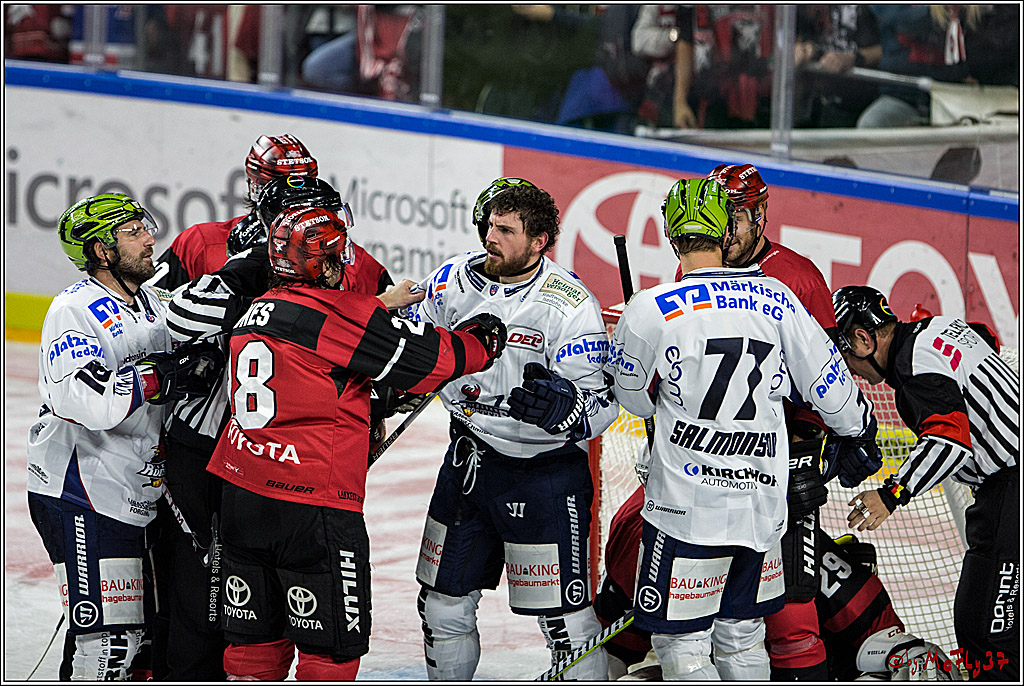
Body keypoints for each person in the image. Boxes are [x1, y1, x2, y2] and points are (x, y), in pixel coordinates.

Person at [202, 204, 503, 680]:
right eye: (338, 255)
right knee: (331, 652)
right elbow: (430, 361)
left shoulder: (253, 311)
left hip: (240, 495)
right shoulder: (336, 315)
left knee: (253, 644)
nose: (345, 264)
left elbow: (314, 368)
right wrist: (481, 340)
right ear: (321, 262)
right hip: (311, 506)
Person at [606, 178, 878, 680]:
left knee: (683, 648)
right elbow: (833, 390)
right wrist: (858, 429)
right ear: (723, 230)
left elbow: (631, 398)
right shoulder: (778, 298)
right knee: (744, 639)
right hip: (760, 508)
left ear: (671, 235)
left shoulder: (650, 306)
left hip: (684, 509)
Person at [153, 170, 398, 680]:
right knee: (202, 590)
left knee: (263, 594)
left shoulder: (349, 259)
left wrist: (371, 405)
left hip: (268, 457)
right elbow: (174, 317)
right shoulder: (246, 254)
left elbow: (378, 341)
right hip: (211, 448)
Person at [411, 178, 619, 680]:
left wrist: (564, 411)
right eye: (489, 225)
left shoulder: (569, 304)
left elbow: (604, 405)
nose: (490, 237)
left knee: (566, 622)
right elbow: (418, 350)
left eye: (506, 230)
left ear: (539, 241)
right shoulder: (450, 281)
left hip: (544, 476)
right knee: (441, 605)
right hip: (468, 464)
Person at [26, 193, 222, 680]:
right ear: (102, 251)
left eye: (144, 228)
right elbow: (82, 398)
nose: (149, 239)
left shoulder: (155, 303)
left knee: (144, 641)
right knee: (109, 642)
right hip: (81, 490)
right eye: (133, 233)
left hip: (137, 488)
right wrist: (158, 377)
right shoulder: (73, 309)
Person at [700, 162, 883, 679]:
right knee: (703, 607)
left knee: (790, 612)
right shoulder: (695, 268)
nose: (724, 230)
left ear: (760, 215)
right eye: (717, 217)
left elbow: (825, 375)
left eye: (735, 217)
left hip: (778, 466)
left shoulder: (798, 277)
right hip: (706, 462)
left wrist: (811, 449)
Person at [145, 134, 318, 681]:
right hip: (203, 440)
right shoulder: (203, 242)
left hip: (278, 453)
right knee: (193, 580)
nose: (287, 192)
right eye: (276, 181)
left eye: (298, 181)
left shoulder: (334, 250)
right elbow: (155, 314)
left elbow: (373, 328)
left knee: (259, 585)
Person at [834, 285, 1019, 681]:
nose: (851, 372)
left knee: (986, 629)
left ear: (864, 339)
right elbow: (985, 335)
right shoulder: (934, 328)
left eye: (845, 355)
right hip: (1004, 490)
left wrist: (891, 493)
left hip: (1011, 488)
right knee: (990, 622)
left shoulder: (913, 368)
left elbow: (950, 442)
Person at [594, 485, 959, 680]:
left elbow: (892, 644)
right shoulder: (636, 537)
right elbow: (616, 651)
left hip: (811, 650)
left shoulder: (792, 550)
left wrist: (902, 655)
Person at [794, 5, 882, 128]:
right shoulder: (804, 8)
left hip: (862, 98)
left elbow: (888, 49)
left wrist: (853, 58)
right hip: (818, 99)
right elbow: (802, 36)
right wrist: (802, 47)